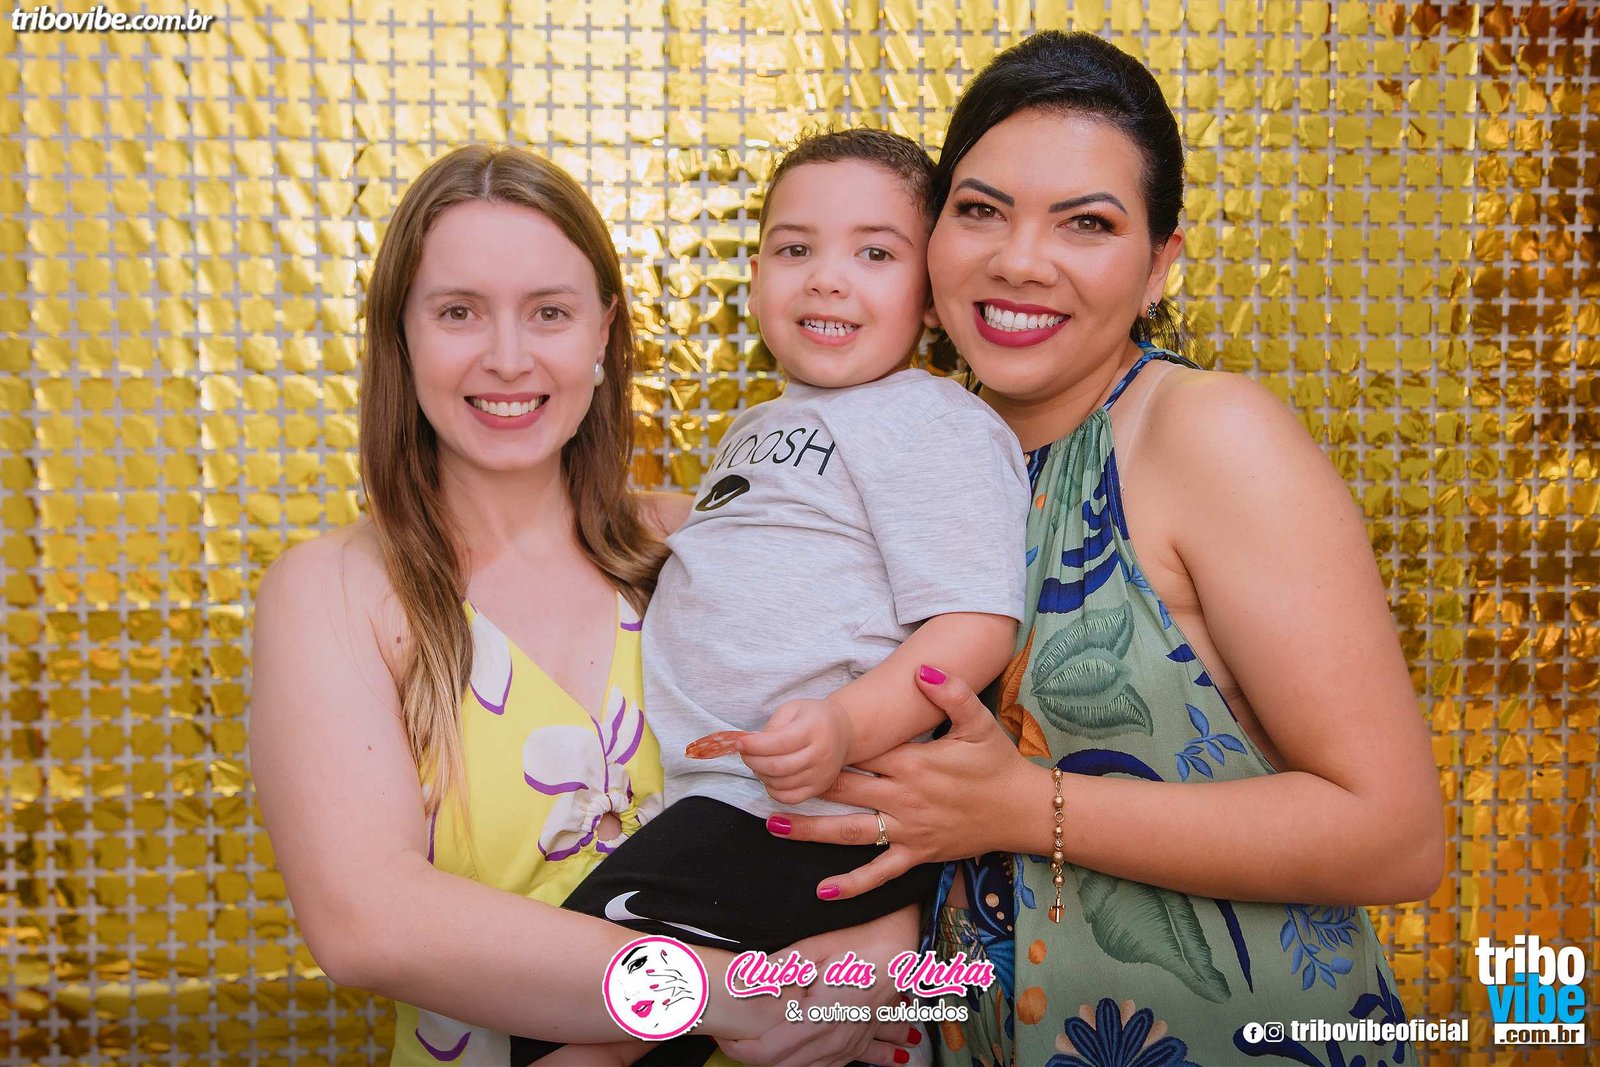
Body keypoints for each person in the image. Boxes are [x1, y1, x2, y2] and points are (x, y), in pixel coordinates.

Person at [766, 32, 1447, 1067]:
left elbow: (1394, 835)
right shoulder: (919, 453)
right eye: (980, 210)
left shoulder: (1205, 433)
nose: (1019, 259)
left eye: (1086, 223)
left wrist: (1023, 808)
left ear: (1161, 262)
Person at [248, 143, 922, 1067]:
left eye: (550, 312)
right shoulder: (332, 590)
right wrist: (728, 995)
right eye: (458, 312)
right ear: (400, 335)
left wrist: (879, 946)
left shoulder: (704, 545)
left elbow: (892, 778)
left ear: (603, 331)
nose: (508, 357)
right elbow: (368, 921)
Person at [513, 128, 1030, 1066]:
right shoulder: (761, 424)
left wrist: (845, 724)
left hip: (793, 810)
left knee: (571, 1005)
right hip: (718, 800)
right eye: (796, 248)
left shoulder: (932, 420)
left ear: (932, 291)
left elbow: (975, 621)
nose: (827, 279)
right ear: (755, 276)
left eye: (875, 254)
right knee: (617, 1017)